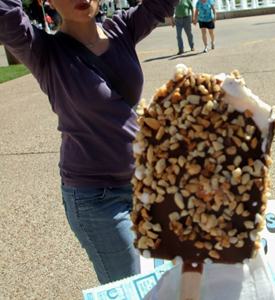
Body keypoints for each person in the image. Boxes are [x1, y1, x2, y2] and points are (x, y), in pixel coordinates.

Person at [0, 0, 178, 285]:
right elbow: (6, 16)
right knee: (128, 286)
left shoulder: (122, 28)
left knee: (165, 280)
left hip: (147, 185)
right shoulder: (43, 51)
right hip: (97, 198)